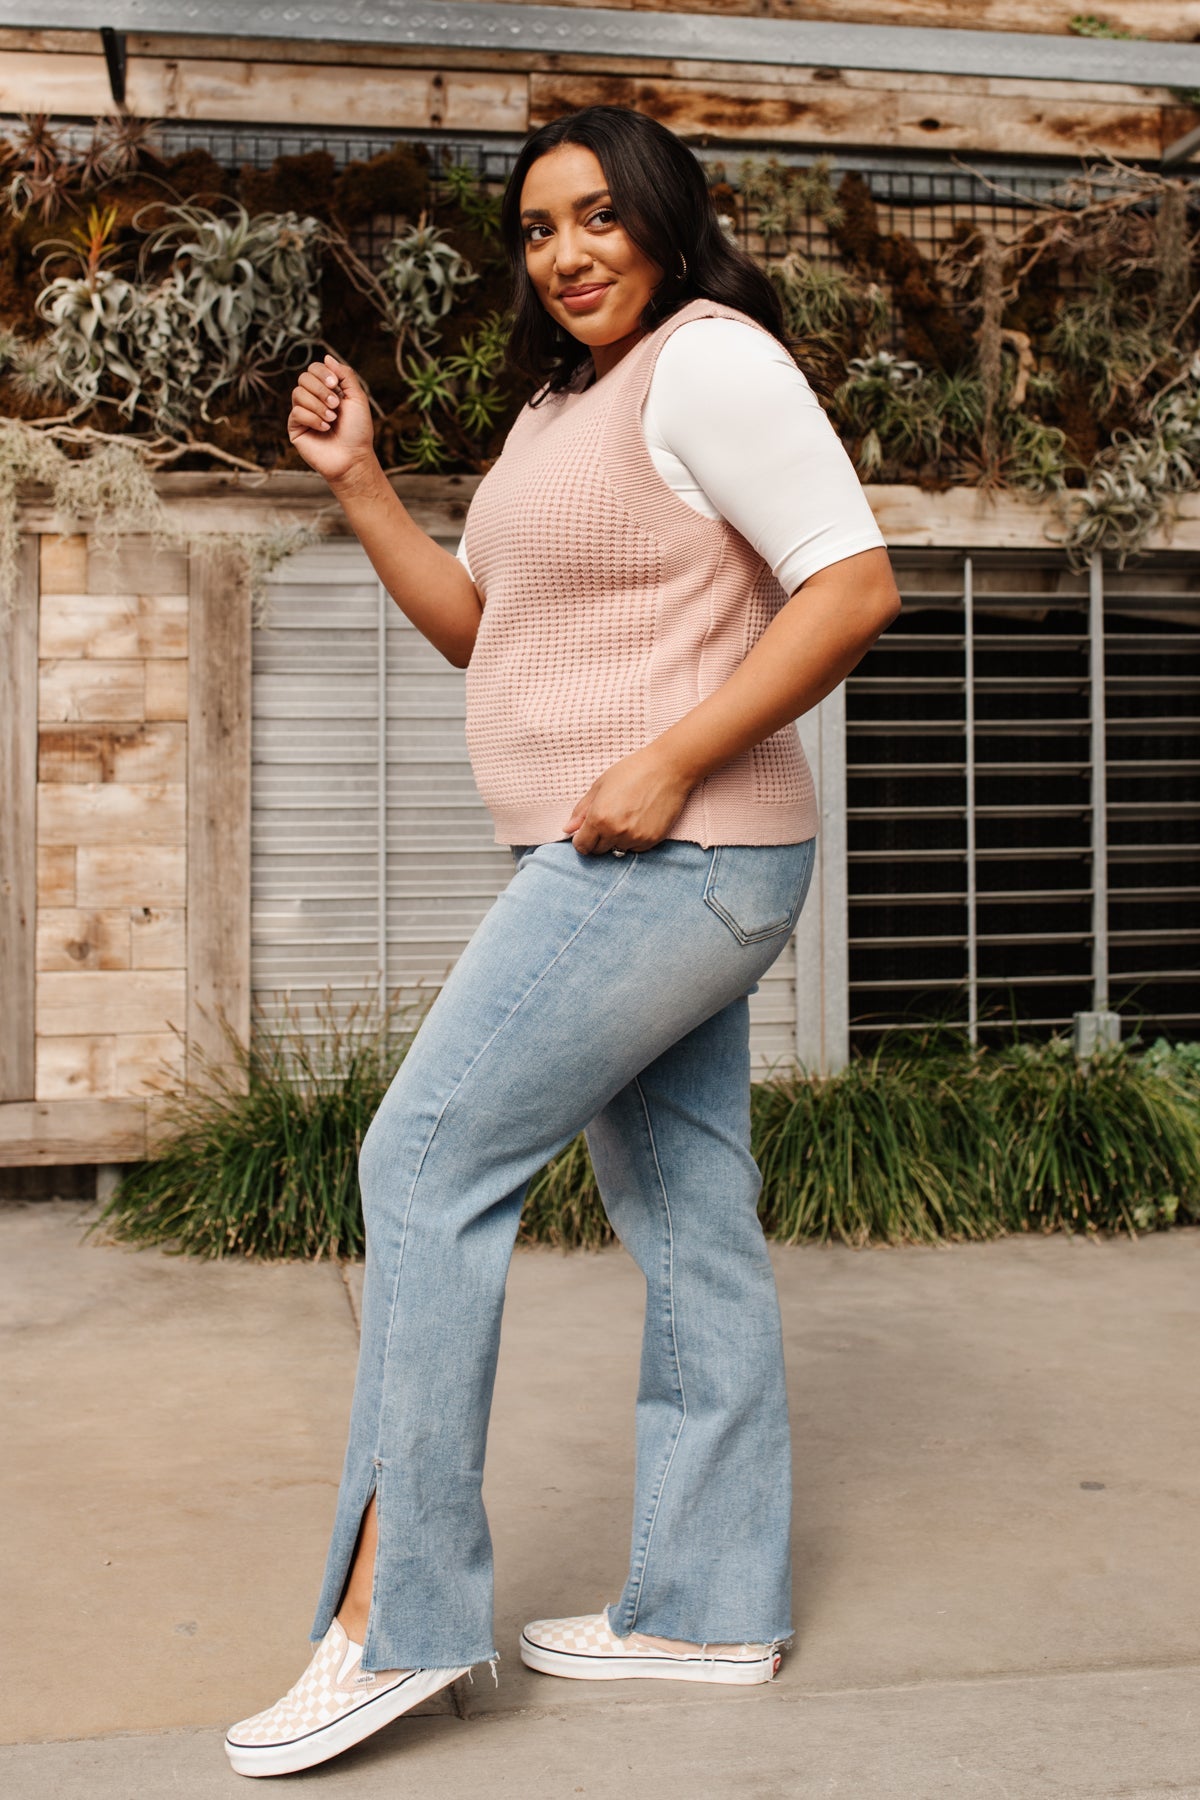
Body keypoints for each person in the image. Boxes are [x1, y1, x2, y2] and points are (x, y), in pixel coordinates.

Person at [224, 104, 900, 1779]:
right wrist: (363, 482)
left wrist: (669, 760)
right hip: (647, 857)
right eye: (537, 229)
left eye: (598, 216)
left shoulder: (712, 362)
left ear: (664, 217)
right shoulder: (558, 409)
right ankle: (707, 1606)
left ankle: (398, 1621)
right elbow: (489, 631)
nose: (567, 253)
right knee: (690, 1216)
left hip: (676, 853)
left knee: (421, 1158)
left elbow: (851, 587)